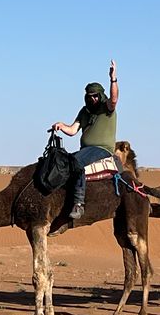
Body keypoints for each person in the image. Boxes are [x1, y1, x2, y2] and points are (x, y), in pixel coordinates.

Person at [50, 61, 118, 226]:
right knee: (63, 162)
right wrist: (61, 126)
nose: (93, 98)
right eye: (90, 96)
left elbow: (114, 99)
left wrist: (113, 79)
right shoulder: (84, 111)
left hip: (102, 149)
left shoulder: (107, 107)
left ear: (100, 95)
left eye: (96, 95)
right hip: (86, 149)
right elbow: (73, 130)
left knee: (76, 163)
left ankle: (79, 203)